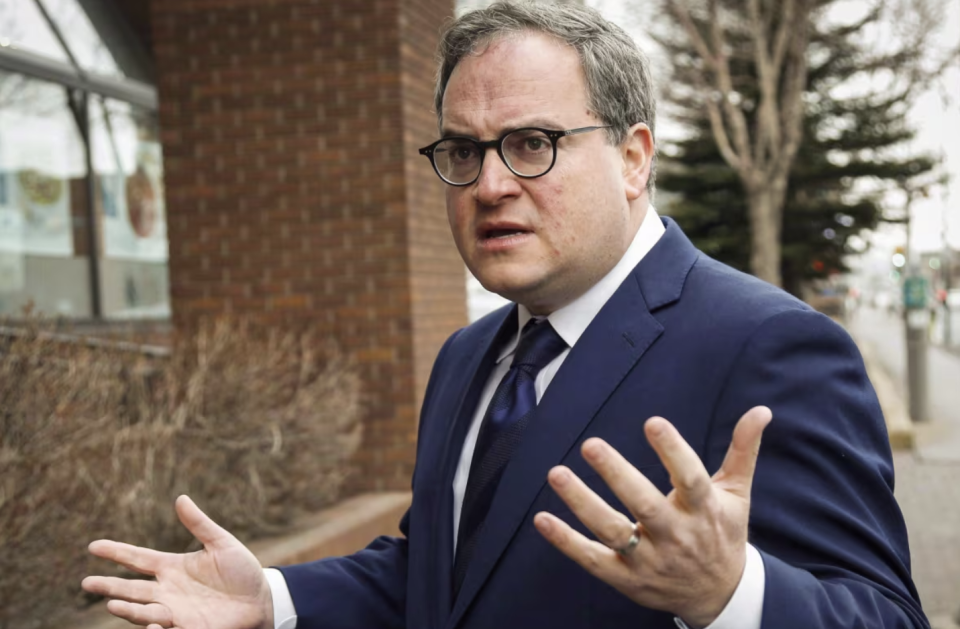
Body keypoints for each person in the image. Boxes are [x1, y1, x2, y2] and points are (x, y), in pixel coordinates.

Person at [81, 3, 927, 629]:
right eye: (463, 151)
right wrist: (271, 595)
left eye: (532, 144)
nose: (489, 185)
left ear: (633, 159)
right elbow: (445, 572)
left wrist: (730, 593)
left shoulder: (769, 346)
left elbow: (884, 615)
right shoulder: (466, 357)